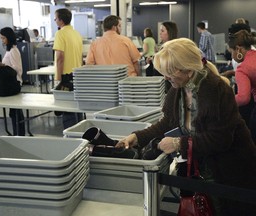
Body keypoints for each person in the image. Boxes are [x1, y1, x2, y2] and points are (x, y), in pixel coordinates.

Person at [116, 38, 256, 215]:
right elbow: (167, 122)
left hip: (230, 171)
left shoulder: (217, 89)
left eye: (169, 73)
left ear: (188, 70)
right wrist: (137, 137)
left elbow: (220, 140)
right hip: (204, 168)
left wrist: (177, 144)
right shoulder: (178, 88)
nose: (165, 78)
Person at [53, 8, 83, 128]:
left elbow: (60, 57)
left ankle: (71, 138)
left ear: (61, 20)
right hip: (77, 75)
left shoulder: (60, 33)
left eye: (56, 18)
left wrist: (58, 79)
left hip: (65, 76)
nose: (54, 20)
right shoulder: (76, 34)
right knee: (76, 107)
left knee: (66, 109)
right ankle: (80, 134)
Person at [228, 29, 256, 143]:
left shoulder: (242, 69)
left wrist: (225, 101)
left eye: (232, 52)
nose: (232, 56)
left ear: (238, 49)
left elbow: (244, 98)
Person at [0, 27, 25, 136]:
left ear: (8, 37)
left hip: (14, 83)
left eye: (3, 38)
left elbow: (18, 69)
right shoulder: (9, 50)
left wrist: (5, 66)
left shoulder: (14, 50)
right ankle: (17, 133)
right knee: (14, 112)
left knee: (16, 112)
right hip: (10, 83)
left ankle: (19, 133)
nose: (2, 40)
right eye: (1, 38)